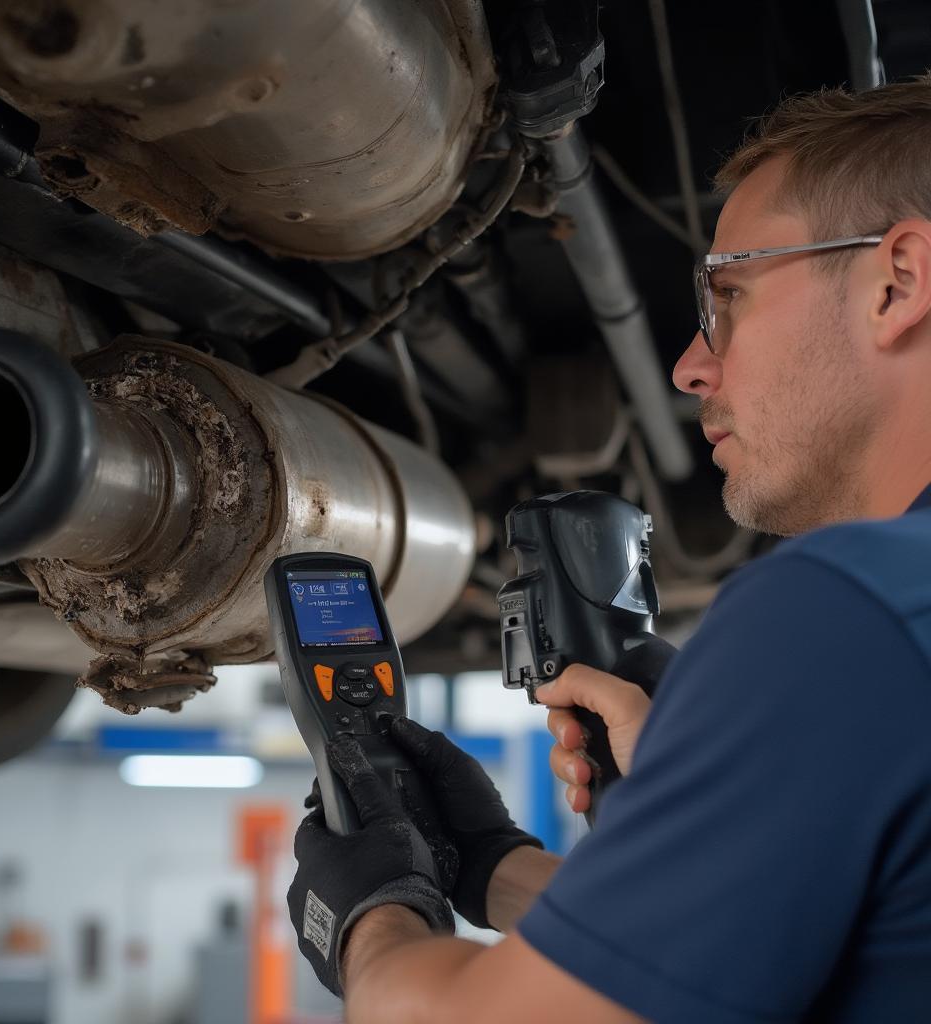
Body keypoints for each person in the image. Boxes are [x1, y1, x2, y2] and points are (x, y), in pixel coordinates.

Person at [287, 77, 931, 1023]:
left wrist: (370, 913)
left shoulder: (846, 615)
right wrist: (495, 864)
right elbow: (778, 948)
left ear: (897, 282)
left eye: (732, 296)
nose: (691, 365)